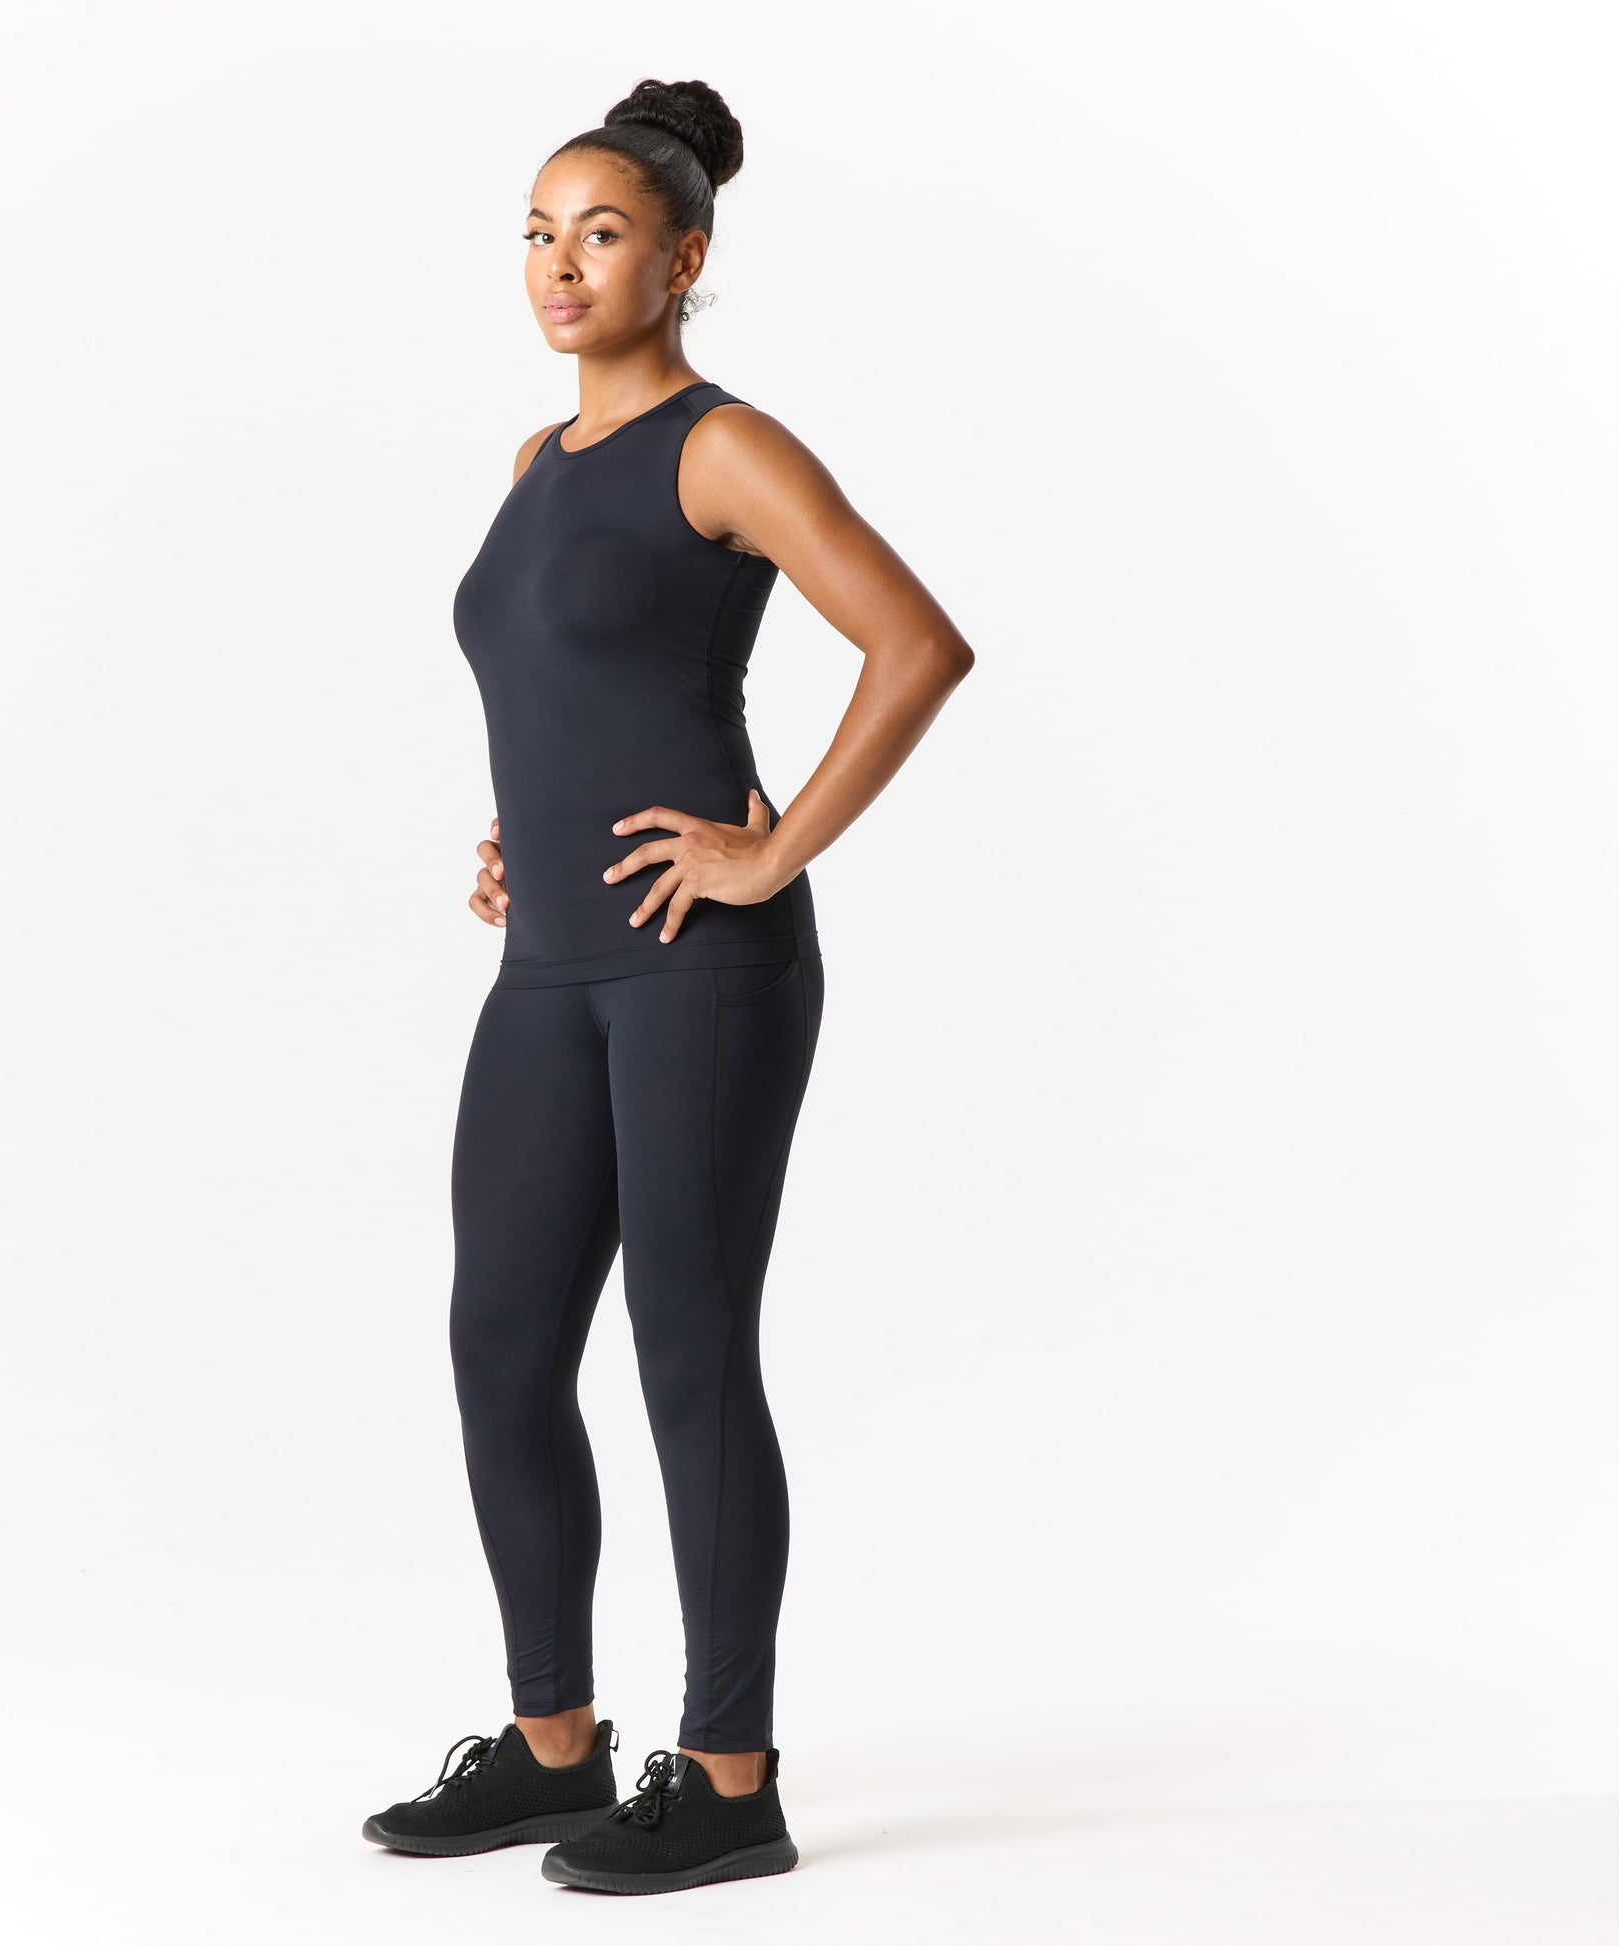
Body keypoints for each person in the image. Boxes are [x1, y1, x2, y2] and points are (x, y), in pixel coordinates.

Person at [362, 76, 975, 1896]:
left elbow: (916, 642)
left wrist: (766, 856)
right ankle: (554, 1741)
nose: (560, 264)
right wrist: (521, 835)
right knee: (497, 1341)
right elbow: (570, 688)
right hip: (550, 963)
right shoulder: (534, 466)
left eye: (603, 232)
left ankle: (727, 1775)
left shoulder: (723, 448)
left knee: (687, 1348)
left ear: (683, 260)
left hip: (699, 971)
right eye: (538, 234)